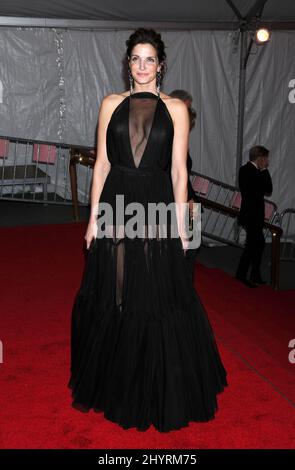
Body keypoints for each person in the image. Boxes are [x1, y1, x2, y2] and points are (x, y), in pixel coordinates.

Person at [68, 28, 227, 432]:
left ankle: (153, 384)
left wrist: (181, 226)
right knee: (118, 293)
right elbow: (102, 166)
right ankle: (117, 381)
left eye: (149, 59)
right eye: (135, 59)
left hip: (157, 204)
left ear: (161, 64)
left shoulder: (175, 109)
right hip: (116, 203)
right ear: (128, 65)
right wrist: (91, 221)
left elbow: (178, 171)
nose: (141, 66)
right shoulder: (110, 104)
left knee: (155, 293)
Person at [169, 89, 200, 282]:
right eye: (185, 107)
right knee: (185, 248)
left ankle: (183, 289)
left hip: (187, 202)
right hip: (176, 202)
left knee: (192, 246)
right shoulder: (166, 135)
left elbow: (183, 174)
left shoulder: (181, 135)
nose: (187, 112)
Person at [235, 145, 273, 288]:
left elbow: (268, 189)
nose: (267, 161)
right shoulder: (245, 170)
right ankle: (241, 274)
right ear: (260, 157)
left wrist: (263, 170)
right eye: (265, 158)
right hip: (250, 214)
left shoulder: (260, 171)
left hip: (257, 214)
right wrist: (262, 171)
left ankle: (254, 274)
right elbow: (253, 190)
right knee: (252, 245)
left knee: (258, 243)